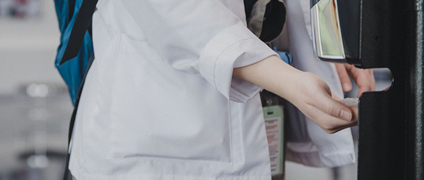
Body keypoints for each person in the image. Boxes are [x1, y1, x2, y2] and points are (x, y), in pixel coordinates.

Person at [68, 0, 374, 179]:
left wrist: (339, 45)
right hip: (155, 148)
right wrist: (288, 80)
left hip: (254, 128)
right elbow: (177, 11)